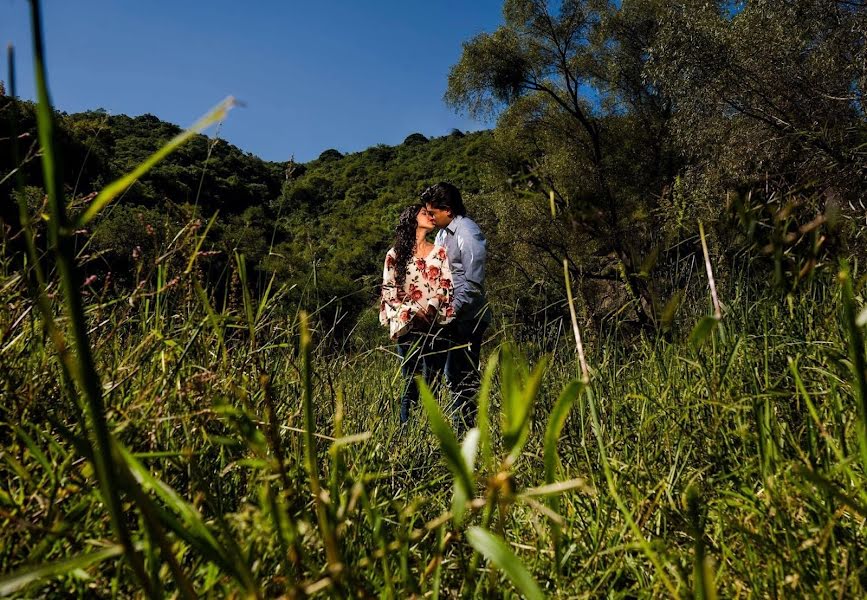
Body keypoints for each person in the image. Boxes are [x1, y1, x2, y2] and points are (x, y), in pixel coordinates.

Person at [422, 182, 492, 433]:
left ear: (448, 210)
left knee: (462, 377)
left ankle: (467, 435)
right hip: (451, 318)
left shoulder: (467, 233)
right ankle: (461, 432)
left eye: (433, 213)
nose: (429, 217)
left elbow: (473, 283)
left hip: (468, 317)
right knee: (451, 376)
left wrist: (449, 313)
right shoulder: (442, 234)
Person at [380, 204, 454, 424]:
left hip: (435, 325)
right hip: (409, 327)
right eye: (425, 213)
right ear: (412, 219)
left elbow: (446, 286)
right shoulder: (394, 255)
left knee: (433, 383)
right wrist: (413, 313)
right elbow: (389, 291)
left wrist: (430, 307)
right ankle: (406, 432)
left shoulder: (440, 252)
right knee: (411, 381)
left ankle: (430, 432)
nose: (431, 216)